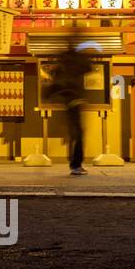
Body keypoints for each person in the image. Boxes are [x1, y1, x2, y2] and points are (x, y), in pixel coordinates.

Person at [47, 37, 93, 176]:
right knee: (78, 133)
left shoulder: (62, 63)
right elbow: (88, 67)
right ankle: (76, 164)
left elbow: (54, 80)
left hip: (68, 100)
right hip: (77, 98)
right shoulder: (78, 61)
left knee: (75, 132)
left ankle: (74, 162)